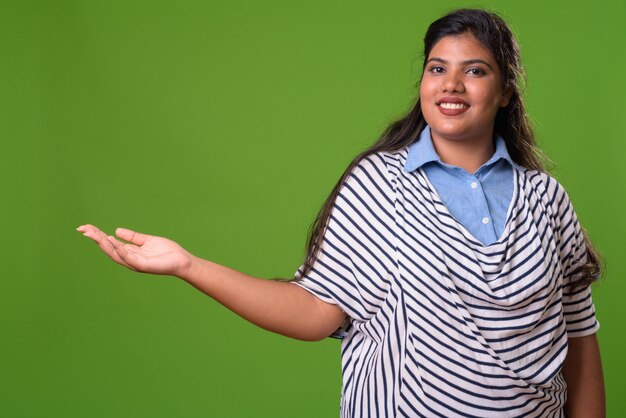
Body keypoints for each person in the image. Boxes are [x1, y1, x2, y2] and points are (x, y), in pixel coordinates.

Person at [77, 8, 605, 418]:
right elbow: (316, 312)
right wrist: (187, 265)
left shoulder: (546, 198)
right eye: (437, 68)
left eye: (475, 71)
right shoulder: (378, 184)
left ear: (506, 92)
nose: (451, 84)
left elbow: (579, 340)